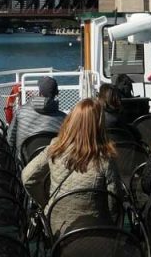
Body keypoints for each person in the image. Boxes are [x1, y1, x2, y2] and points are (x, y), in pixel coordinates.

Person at [21, 98, 123, 235]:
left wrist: (46, 203)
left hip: (57, 227)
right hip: (94, 228)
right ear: (99, 126)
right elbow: (114, 200)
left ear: (72, 121)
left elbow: (27, 177)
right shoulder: (105, 158)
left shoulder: (55, 147)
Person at [8, 76, 66, 156]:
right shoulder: (65, 119)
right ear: (57, 93)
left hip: (24, 161)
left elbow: (10, 139)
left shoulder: (21, 112)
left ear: (39, 92)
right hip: (53, 161)